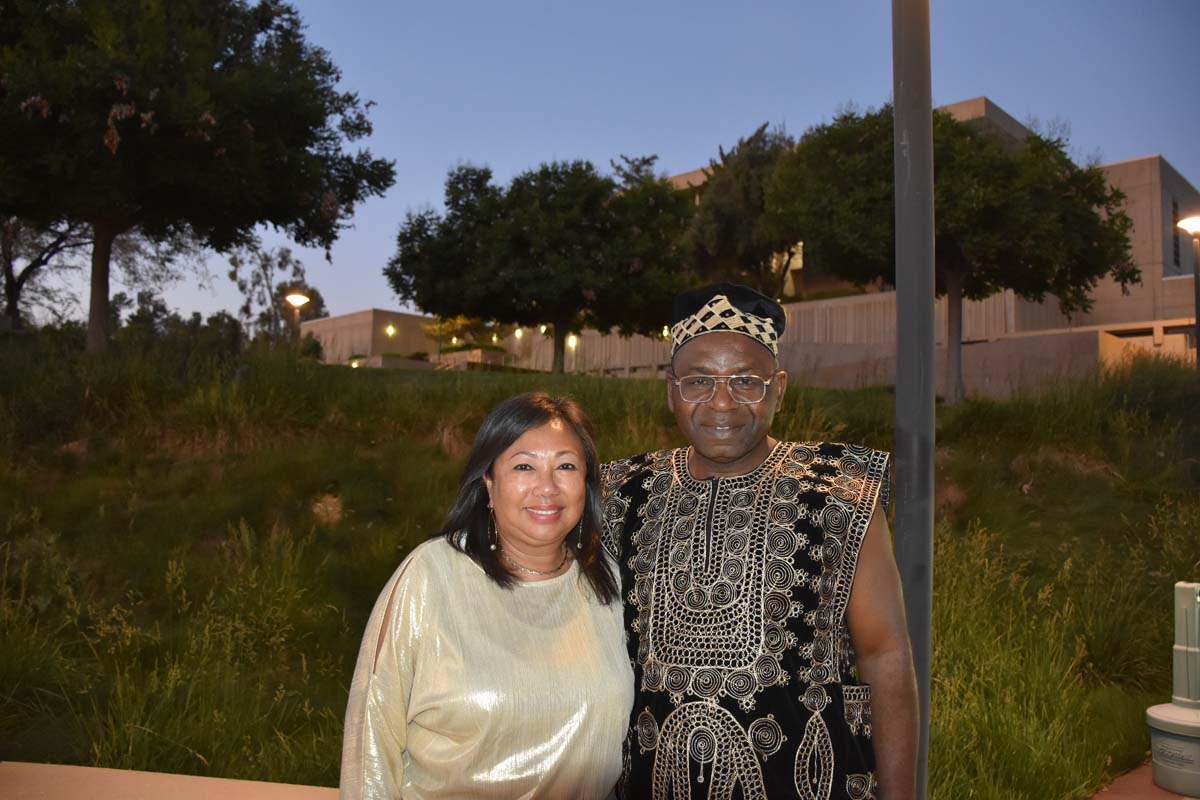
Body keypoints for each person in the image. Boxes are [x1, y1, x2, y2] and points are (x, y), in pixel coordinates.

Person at [601, 283, 918, 800]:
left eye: (746, 381)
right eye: (699, 381)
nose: (722, 402)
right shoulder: (620, 493)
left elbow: (885, 653)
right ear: (670, 390)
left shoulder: (840, 491)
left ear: (780, 389)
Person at [341, 392, 633, 799]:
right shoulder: (431, 576)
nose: (546, 487)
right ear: (489, 484)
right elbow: (371, 735)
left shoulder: (609, 581)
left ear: (586, 483)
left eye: (565, 466)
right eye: (524, 466)